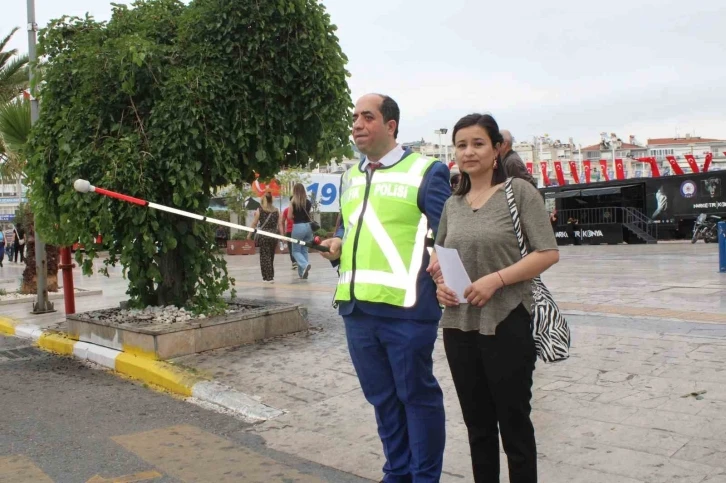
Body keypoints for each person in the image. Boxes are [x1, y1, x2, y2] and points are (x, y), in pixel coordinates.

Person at [319, 93, 451, 483]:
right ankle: (397, 473)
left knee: (417, 398)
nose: (357, 124)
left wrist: (443, 266)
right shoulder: (350, 177)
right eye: (354, 117)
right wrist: (337, 243)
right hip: (357, 310)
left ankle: (424, 478)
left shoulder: (426, 171)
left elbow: (449, 235)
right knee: (382, 399)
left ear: (390, 125)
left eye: (367, 117)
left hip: (408, 311)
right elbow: (349, 227)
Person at [428, 114, 559, 483]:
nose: (468, 152)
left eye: (478, 143)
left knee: (514, 425)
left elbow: (547, 252)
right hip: (459, 325)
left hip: (508, 319)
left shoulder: (519, 193)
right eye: (461, 145)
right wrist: (440, 284)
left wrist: (496, 280)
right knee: (478, 426)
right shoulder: (453, 204)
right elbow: (441, 255)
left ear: (497, 149)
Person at [248, 191, 280, 283]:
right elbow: (279, 224)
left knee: (264, 257)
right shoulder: (276, 210)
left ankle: (267, 277)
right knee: (271, 256)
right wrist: (281, 235)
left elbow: (254, 223)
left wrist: (249, 234)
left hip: (264, 236)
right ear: (271, 200)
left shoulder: (260, 210)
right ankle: (271, 276)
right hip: (274, 235)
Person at [287, 183, 313, 279]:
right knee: (304, 250)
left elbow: (289, 216)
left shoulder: (293, 201)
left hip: (298, 226)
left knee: (295, 251)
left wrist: (295, 216)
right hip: (309, 227)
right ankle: (302, 273)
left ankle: (305, 265)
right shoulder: (308, 202)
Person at [279, 198, 297, 271]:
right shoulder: (298, 210)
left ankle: (294, 262)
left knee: (291, 248)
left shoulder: (287, 210)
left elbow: (282, 222)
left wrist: (283, 233)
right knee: (296, 247)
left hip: (289, 231)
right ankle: (296, 262)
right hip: (296, 231)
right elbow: (282, 222)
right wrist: (283, 234)